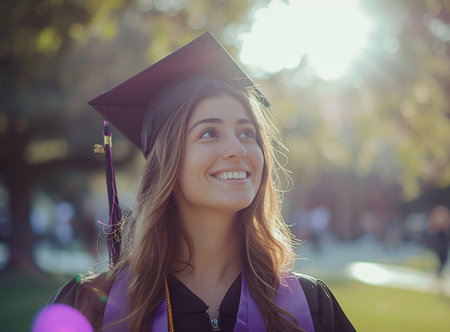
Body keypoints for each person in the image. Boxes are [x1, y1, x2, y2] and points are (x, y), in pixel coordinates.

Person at [48, 32, 355, 332]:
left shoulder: (309, 307)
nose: (237, 149)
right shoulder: (93, 309)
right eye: (209, 132)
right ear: (167, 162)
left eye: (247, 133)